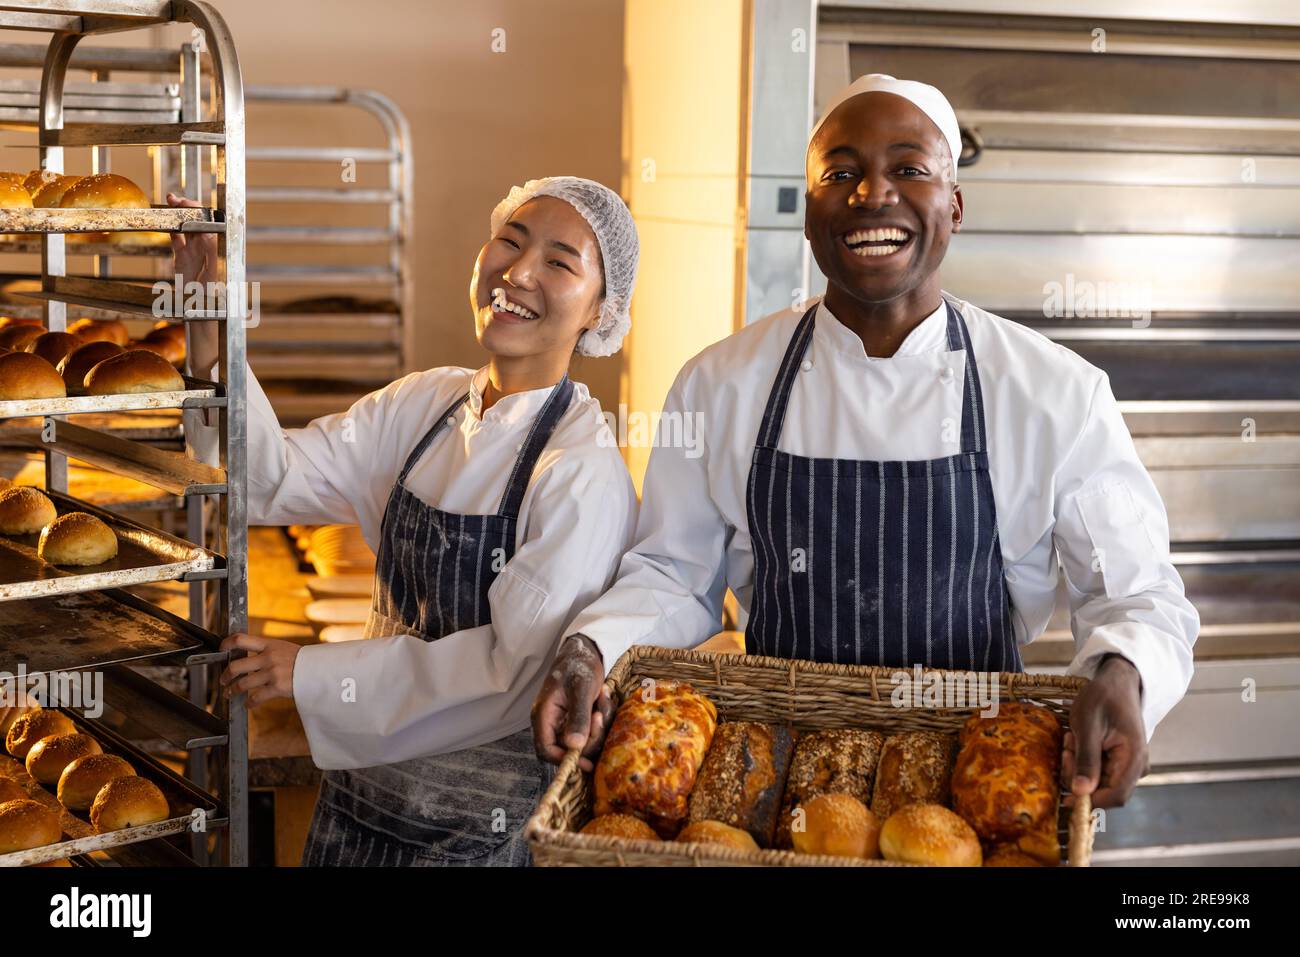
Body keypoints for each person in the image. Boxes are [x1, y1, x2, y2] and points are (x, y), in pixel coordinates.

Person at [533, 76, 1199, 811]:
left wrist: (1123, 670)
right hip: (770, 791)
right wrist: (591, 645)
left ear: (954, 205)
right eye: (840, 173)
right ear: (811, 212)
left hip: (978, 787)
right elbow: (672, 574)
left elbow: (1134, 590)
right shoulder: (721, 384)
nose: (871, 195)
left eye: (909, 169)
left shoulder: (1055, 392)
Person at [176, 176, 639, 865]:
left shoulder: (581, 471)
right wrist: (210, 320)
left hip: (470, 838)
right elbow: (269, 482)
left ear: (602, 312)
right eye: (509, 241)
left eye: (559, 262)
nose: (516, 272)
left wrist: (311, 672)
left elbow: (510, 673)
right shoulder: (425, 405)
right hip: (353, 809)